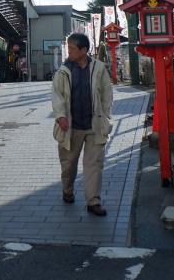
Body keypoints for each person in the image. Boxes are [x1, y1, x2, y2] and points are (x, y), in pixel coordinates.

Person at [51, 32, 113, 216]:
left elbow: (107, 93)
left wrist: (105, 115)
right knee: (69, 164)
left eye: (72, 48)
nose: (68, 51)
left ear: (84, 50)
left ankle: (93, 201)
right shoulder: (63, 71)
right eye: (68, 47)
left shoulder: (99, 68)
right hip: (71, 126)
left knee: (94, 164)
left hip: (94, 125)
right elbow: (57, 95)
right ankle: (67, 189)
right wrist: (61, 116)